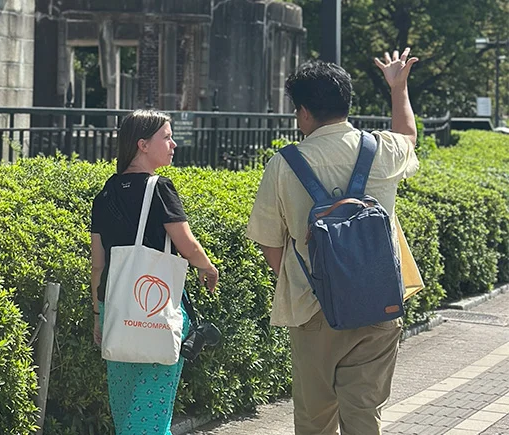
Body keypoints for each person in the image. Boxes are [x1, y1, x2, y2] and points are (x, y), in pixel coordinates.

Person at [246, 48, 420, 434]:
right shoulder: (382, 150)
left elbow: (269, 241)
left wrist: (301, 279)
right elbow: (408, 135)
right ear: (346, 102)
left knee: (315, 419)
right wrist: (398, 87)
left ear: (304, 112)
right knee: (363, 413)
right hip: (378, 303)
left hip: (313, 308)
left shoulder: (284, 163)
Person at [90, 110, 219, 435]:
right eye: (166, 136)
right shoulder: (159, 188)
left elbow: (98, 263)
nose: (173, 144)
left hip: (114, 309)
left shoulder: (104, 194)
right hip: (157, 311)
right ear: (143, 144)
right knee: (151, 409)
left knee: (125, 406)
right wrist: (207, 266)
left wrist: (97, 314)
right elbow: (185, 244)